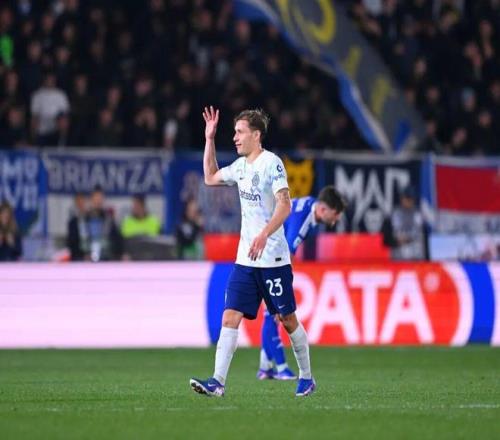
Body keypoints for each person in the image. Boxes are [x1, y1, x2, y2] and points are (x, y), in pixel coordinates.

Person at [190, 106, 315, 397]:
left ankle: (307, 377)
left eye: (240, 132)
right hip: (245, 260)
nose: (235, 137)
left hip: (273, 259)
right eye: (234, 132)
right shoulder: (240, 167)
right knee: (229, 316)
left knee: (287, 320)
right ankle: (217, 382)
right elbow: (210, 176)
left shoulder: (272, 164)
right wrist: (209, 139)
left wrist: (264, 234)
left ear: (256, 135)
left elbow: (285, 204)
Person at [257, 185, 347, 380]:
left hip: (265, 250)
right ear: (323, 209)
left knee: (271, 312)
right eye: (335, 215)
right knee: (274, 312)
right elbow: (287, 253)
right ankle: (281, 368)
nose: (335, 220)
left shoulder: (309, 205)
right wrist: (283, 285)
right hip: (266, 255)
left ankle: (265, 367)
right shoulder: (304, 219)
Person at [390, 186, 425, 260]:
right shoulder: (396, 213)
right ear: (402, 199)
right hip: (399, 256)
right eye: (406, 198)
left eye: (410, 199)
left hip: (415, 256)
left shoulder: (417, 213)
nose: (408, 201)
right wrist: (400, 238)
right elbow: (396, 232)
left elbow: (417, 232)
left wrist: (406, 238)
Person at [66, 192, 88, 261]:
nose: (80, 205)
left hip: (91, 254)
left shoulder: (90, 218)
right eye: (78, 202)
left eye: (82, 202)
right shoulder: (72, 222)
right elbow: (71, 241)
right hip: (77, 256)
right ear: (76, 204)